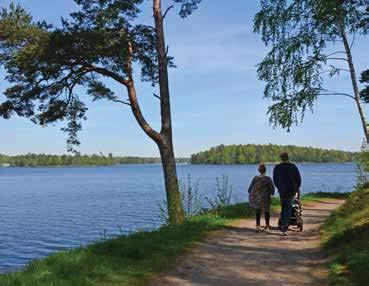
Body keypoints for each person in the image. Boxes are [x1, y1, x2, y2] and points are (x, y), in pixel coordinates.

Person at [273, 152, 302, 236]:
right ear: (288, 158)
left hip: (282, 190)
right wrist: (296, 188)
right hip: (291, 190)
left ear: (281, 158)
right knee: (289, 207)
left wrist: (279, 187)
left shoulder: (277, 167)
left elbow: (275, 179)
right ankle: (285, 227)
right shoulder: (293, 167)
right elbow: (299, 179)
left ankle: (283, 224)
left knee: (283, 206)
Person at [248, 163, 275, 233]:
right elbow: (272, 188)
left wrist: (250, 192)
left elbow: (250, 188)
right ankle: (267, 226)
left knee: (258, 211)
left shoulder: (255, 178)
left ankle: (257, 226)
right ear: (265, 171)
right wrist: (272, 193)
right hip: (266, 197)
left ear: (259, 170)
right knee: (267, 211)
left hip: (257, 198)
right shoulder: (268, 179)